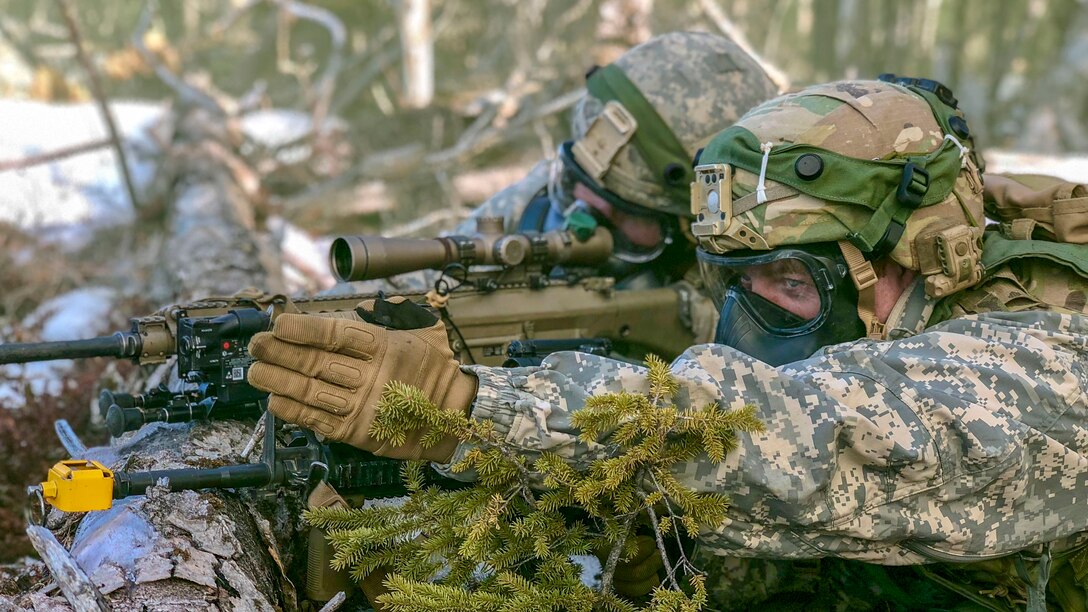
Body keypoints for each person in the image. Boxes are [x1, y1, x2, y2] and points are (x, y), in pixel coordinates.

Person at [249, 77, 1088, 610]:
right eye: (735, 282)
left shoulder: (1051, 355)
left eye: (793, 284)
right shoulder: (876, 308)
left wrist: (473, 410)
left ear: (920, 257)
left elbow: (818, 434)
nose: (750, 323)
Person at [339, 31, 780, 346]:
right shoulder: (548, 196)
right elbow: (425, 280)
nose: (578, 218)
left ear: (698, 223)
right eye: (573, 185)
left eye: (624, 212)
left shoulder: (761, 273)